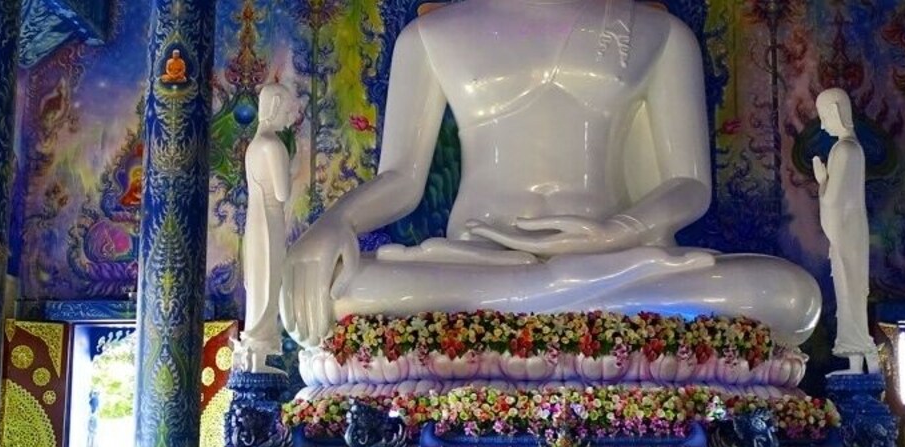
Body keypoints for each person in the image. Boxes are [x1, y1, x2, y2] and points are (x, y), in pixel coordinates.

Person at [280, 0, 821, 353]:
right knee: (333, 292)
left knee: (790, 295)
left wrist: (620, 230)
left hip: (614, 257)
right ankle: (555, 299)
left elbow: (689, 184)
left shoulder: (657, 32)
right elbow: (401, 178)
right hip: (476, 258)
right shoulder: (432, 36)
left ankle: (534, 300)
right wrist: (333, 225)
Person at [813, 88, 878, 374]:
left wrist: (822, 181)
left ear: (837, 112)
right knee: (849, 290)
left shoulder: (844, 150)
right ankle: (858, 360)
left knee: (850, 290)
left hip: (847, 231)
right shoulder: (852, 148)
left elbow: (832, 199)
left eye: (825, 116)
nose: (823, 123)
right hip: (851, 229)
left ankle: (866, 352)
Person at [233, 84, 297, 374]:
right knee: (268, 282)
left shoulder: (254, 147)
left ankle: (255, 358)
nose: (289, 116)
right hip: (270, 220)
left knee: (259, 284)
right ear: (272, 107)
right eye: (285, 110)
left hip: (254, 221)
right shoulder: (273, 146)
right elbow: (283, 193)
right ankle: (257, 353)